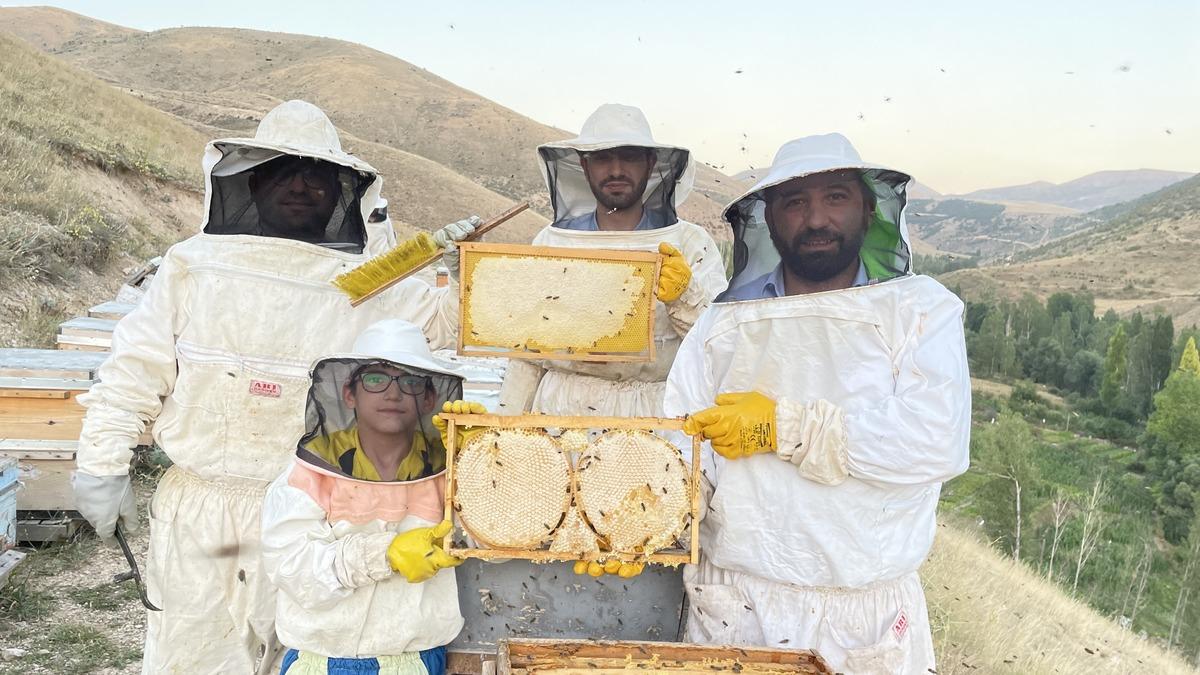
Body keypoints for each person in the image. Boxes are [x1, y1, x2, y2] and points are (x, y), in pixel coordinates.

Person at [71, 99, 478, 674]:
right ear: (251, 180)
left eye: (317, 174)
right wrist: (101, 462)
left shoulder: (368, 283)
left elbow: (459, 322)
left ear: (343, 190)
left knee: (306, 657)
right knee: (196, 657)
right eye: (283, 170)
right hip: (205, 506)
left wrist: (466, 264)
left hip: (322, 511)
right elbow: (135, 369)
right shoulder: (193, 266)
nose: (300, 185)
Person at [666, 133, 970, 674]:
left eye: (835, 197)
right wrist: (646, 521)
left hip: (863, 614)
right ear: (769, 217)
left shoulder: (921, 311)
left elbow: (936, 441)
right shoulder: (721, 325)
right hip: (737, 605)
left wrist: (786, 429)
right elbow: (679, 448)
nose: (816, 219)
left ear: (869, 208)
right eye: (795, 202)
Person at [497, 103, 728, 420]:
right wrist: (501, 426)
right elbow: (526, 353)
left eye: (629, 156)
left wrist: (685, 296)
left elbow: (720, 345)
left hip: (655, 414)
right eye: (603, 157)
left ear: (650, 164)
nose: (616, 169)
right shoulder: (552, 242)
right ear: (584, 164)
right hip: (560, 414)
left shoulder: (689, 243)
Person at [261, 319, 464, 675]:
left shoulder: (452, 468)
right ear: (350, 393)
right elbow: (292, 568)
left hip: (416, 657)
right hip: (320, 659)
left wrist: (488, 459)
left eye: (411, 381)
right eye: (375, 379)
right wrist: (384, 554)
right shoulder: (309, 472)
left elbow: (494, 544)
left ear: (430, 398)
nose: (393, 393)